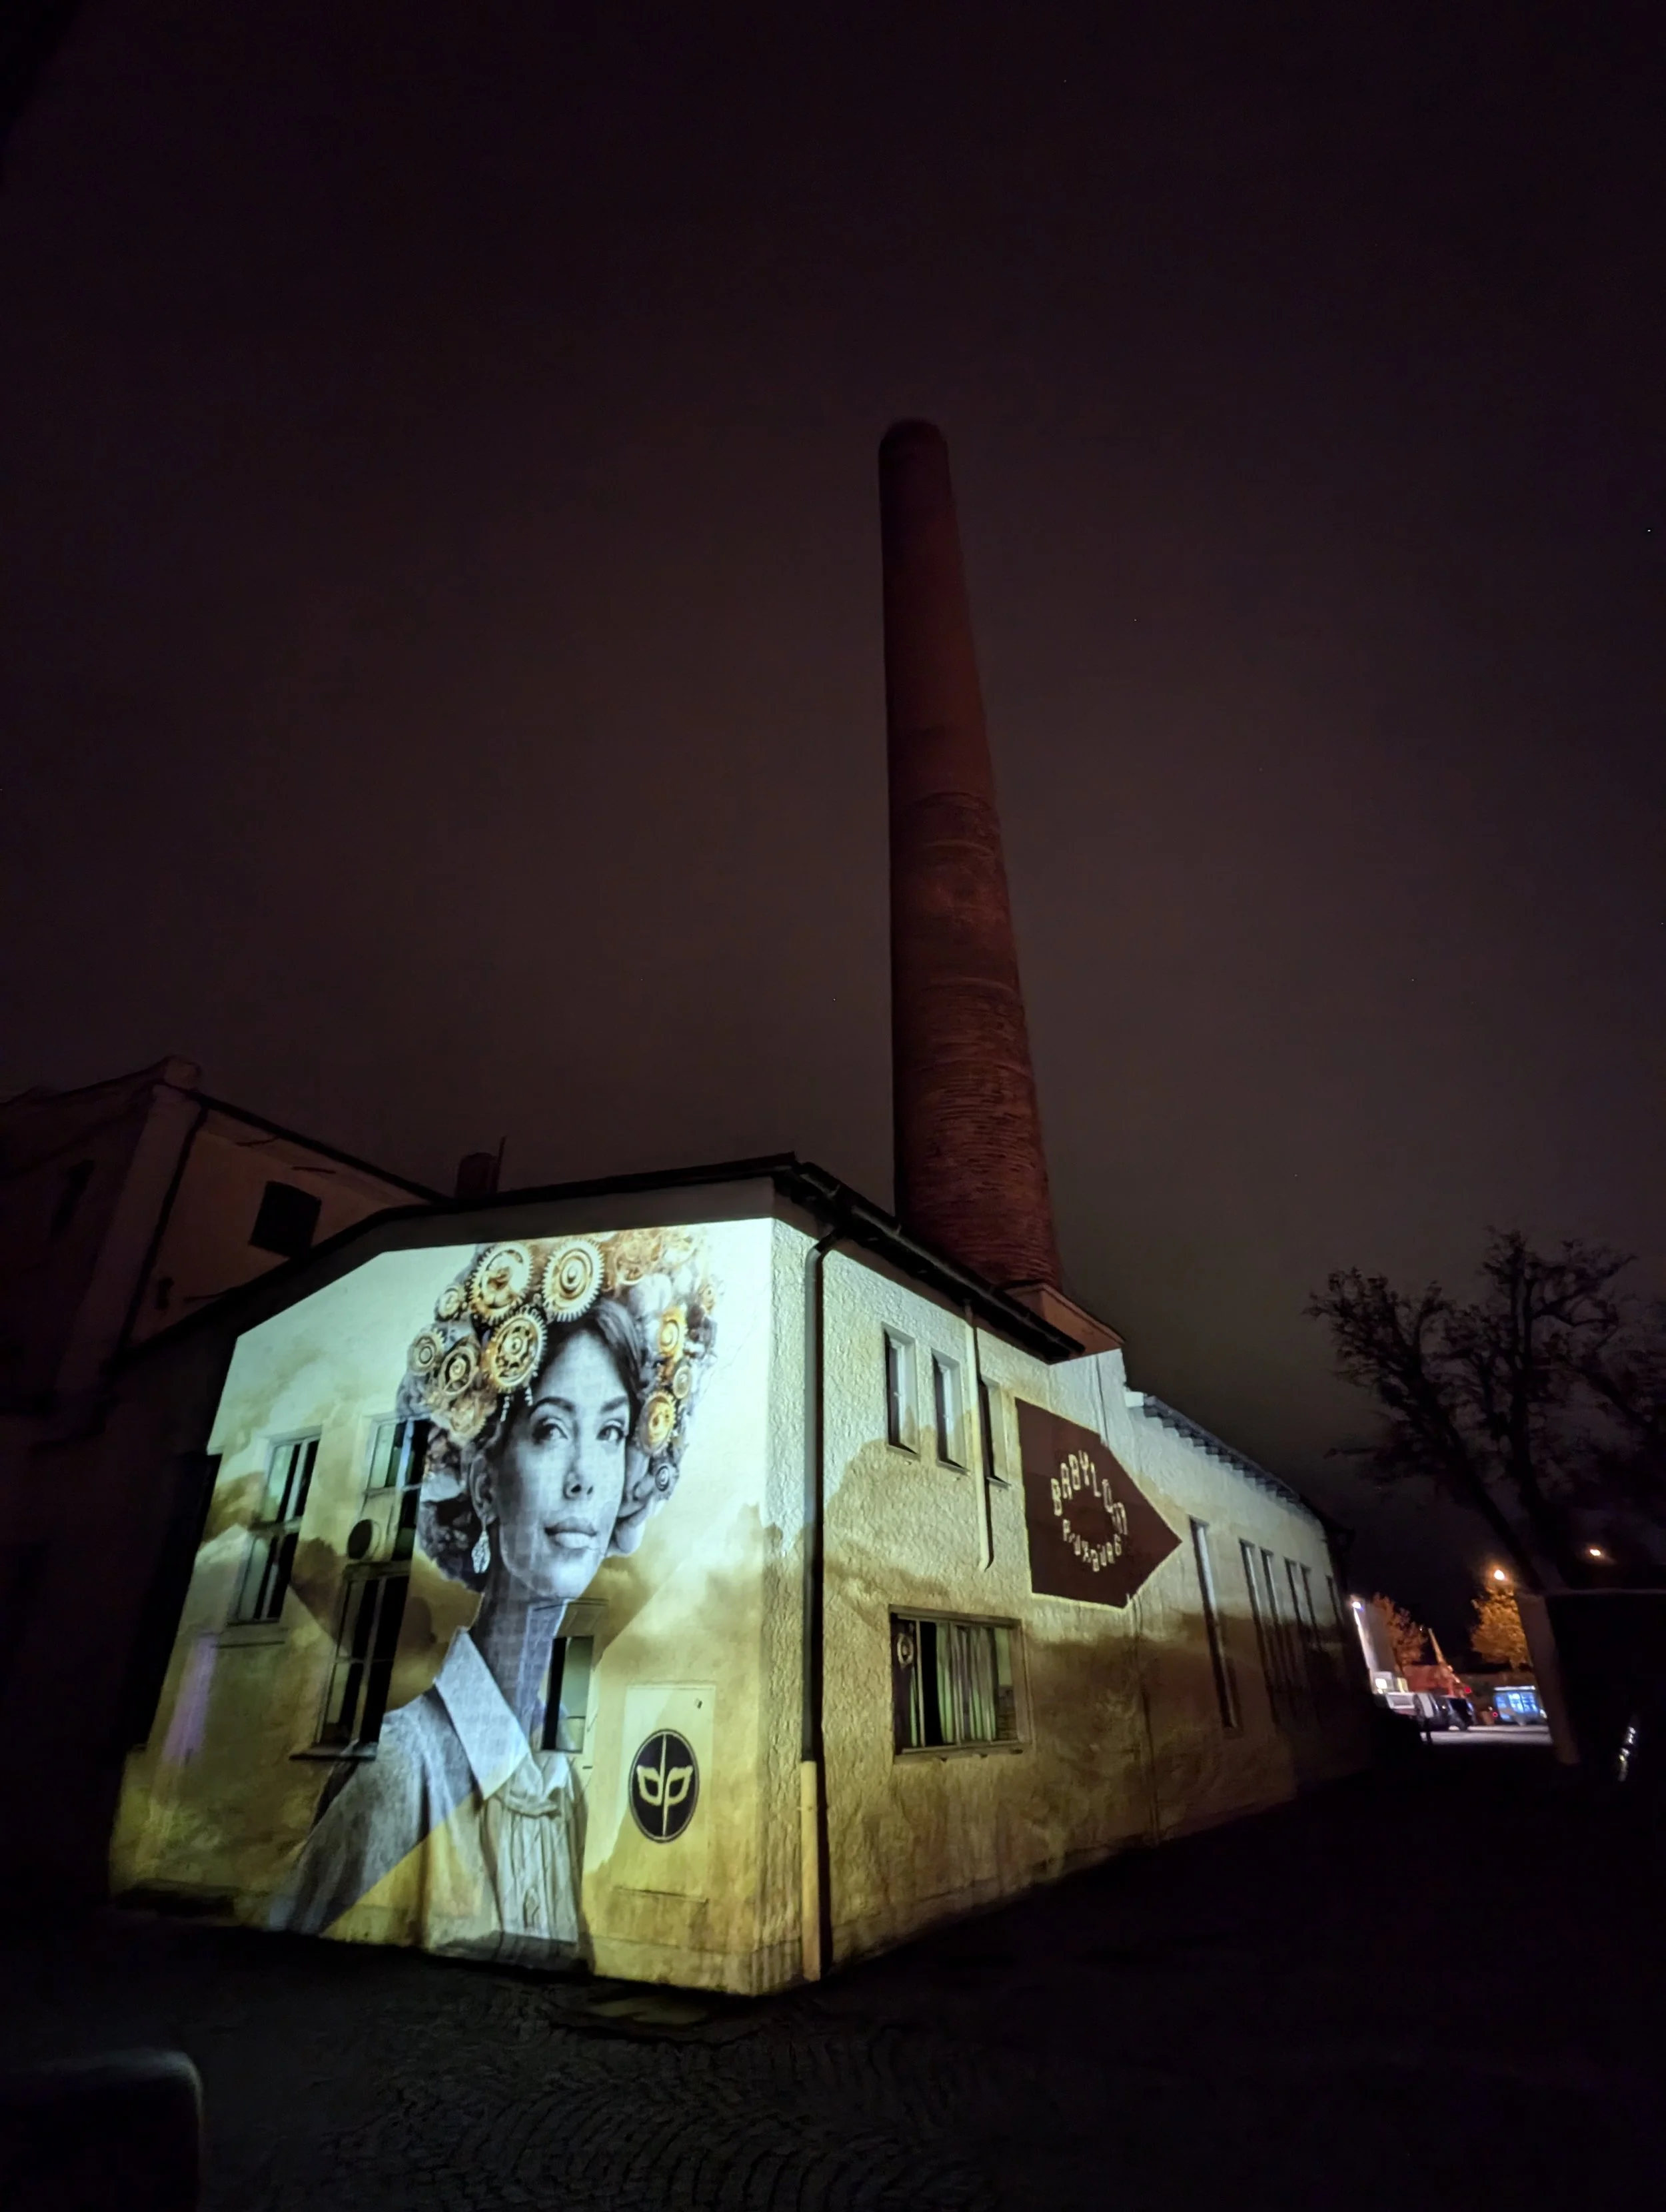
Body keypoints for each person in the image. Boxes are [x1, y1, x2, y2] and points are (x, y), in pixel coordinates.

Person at [270, 1229, 716, 1962]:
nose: (584, 1475)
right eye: (550, 1430)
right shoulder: (401, 1771)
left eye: (609, 1432)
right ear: (484, 1483)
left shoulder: (558, 1787)